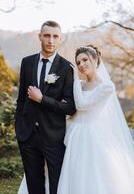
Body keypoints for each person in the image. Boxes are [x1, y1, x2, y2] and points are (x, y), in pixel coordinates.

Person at [57, 45, 134, 194]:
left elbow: (82, 104)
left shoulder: (106, 86)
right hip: (72, 131)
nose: (81, 65)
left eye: (85, 59)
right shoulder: (79, 85)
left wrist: (75, 79)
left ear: (94, 59)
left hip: (91, 135)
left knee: (91, 176)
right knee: (71, 172)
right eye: (78, 62)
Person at [15, 20, 76, 194]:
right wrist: (19, 127)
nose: (50, 40)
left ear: (60, 39)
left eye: (55, 36)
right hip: (27, 135)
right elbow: (21, 99)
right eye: (47, 35)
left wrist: (42, 99)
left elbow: (70, 107)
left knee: (56, 185)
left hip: (53, 137)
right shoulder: (27, 63)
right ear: (39, 36)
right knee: (34, 185)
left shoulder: (66, 68)